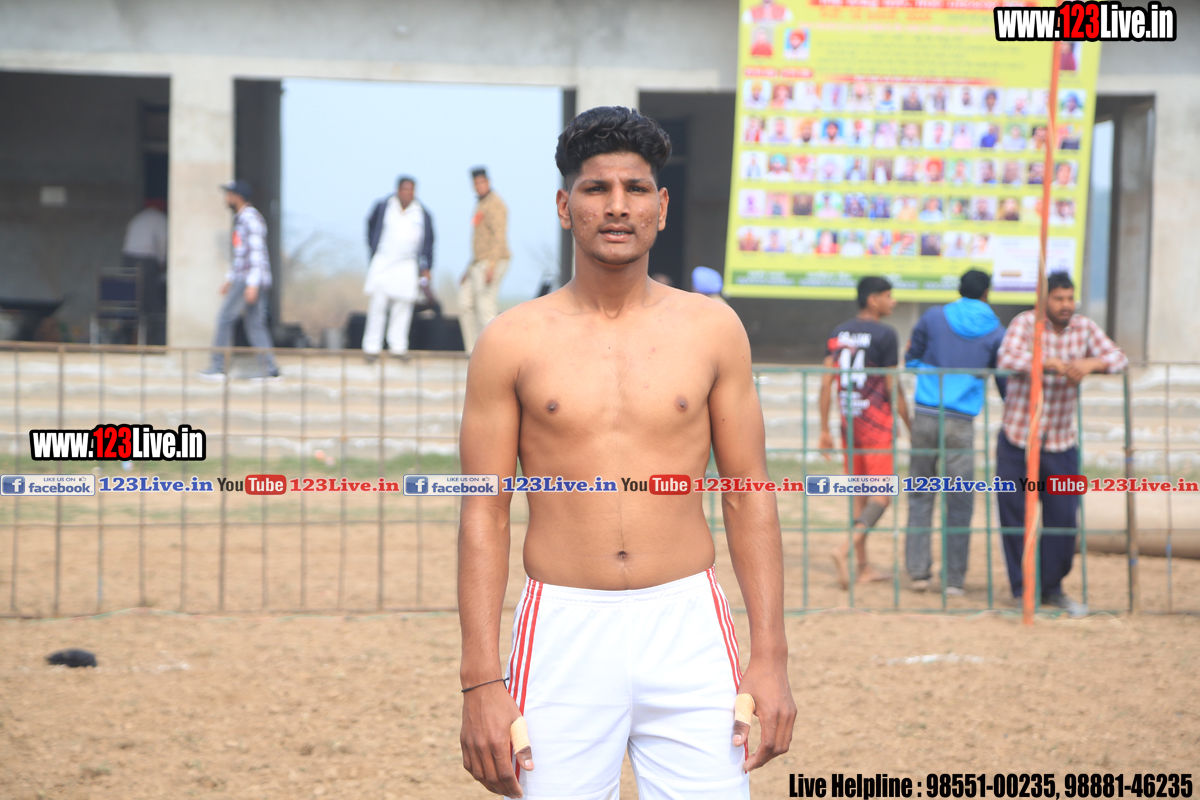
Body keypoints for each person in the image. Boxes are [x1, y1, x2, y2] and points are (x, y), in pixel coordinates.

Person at [457, 106, 795, 800]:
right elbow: (483, 512)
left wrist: (771, 654)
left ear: (661, 207)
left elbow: (748, 493)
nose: (617, 206)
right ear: (565, 206)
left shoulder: (712, 330)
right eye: (596, 188)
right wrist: (480, 680)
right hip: (562, 625)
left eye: (635, 189)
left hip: (687, 623)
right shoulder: (511, 340)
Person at [995, 273, 1127, 616]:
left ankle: (1051, 587)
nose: (1066, 305)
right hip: (1018, 439)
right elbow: (1006, 358)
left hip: (1061, 441)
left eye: (1070, 298)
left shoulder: (1084, 328)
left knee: (1064, 519)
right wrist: (1045, 362)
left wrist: (1093, 362)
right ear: (1044, 300)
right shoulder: (1025, 324)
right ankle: (1023, 590)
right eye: (1059, 299)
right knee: (1015, 518)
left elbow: (1119, 358)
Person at [904, 269, 1007, 594]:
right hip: (961, 421)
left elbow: (911, 359)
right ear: (986, 293)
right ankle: (954, 580)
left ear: (959, 289)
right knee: (960, 500)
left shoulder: (933, 317)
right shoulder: (997, 330)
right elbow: (1003, 378)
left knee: (920, 493)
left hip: (925, 414)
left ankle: (918, 573)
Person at [819, 277, 911, 589]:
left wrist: (824, 428)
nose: (893, 301)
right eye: (889, 295)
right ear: (873, 300)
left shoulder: (838, 333)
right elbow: (892, 386)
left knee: (860, 496)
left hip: (849, 424)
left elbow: (825, 382)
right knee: (882, 496)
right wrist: (909, 424)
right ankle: (844, 549)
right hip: (876, 426)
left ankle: (863, 567)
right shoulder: (886, 334)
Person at [198, 180, 278, 381]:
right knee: (255, 324)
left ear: (237, 197)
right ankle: (269, 369)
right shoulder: (242, 219)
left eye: (229, 195)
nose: (226, 198)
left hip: (249, 279)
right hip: (245, 278)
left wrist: (252, 284)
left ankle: (218, 367)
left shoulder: (250, 219)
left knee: (225, 318)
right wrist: (229, 278)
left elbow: (256, 253)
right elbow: (241, 255)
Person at [362, 176, 435, 362]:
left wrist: (427, 267)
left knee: (403, 306)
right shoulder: (383, 207)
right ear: (398, 190)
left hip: (407, 264)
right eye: (405, 189)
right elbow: (370, 228)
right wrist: (374, 250)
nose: (408, 194)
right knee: (378, 303)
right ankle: (372, 347)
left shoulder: (422, 214)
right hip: (384, 260)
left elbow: (429, 242)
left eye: (411, 190)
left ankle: (398, 347)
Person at [458, 167, 510, 354]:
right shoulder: (480, 204)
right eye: (476, 183)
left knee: (485, 306)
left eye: (482, 182)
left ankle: (494, 352)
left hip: (492, 260)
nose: (479, 186)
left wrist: (492, 265)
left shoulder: (495, 203)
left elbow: (498, 236)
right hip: (477, 262)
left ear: (488, 182)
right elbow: (480, 241)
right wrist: (468, 269)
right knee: (465, 303)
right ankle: (473, 352)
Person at [121, 197, 168, 344]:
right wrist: (162, 261)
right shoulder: (160, 218)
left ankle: (124, 340)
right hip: (146, 261)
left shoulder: (138, 218)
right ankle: (159, 342)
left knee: (130, 300)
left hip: (128, 259)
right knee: (153, 303)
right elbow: (163, 241)